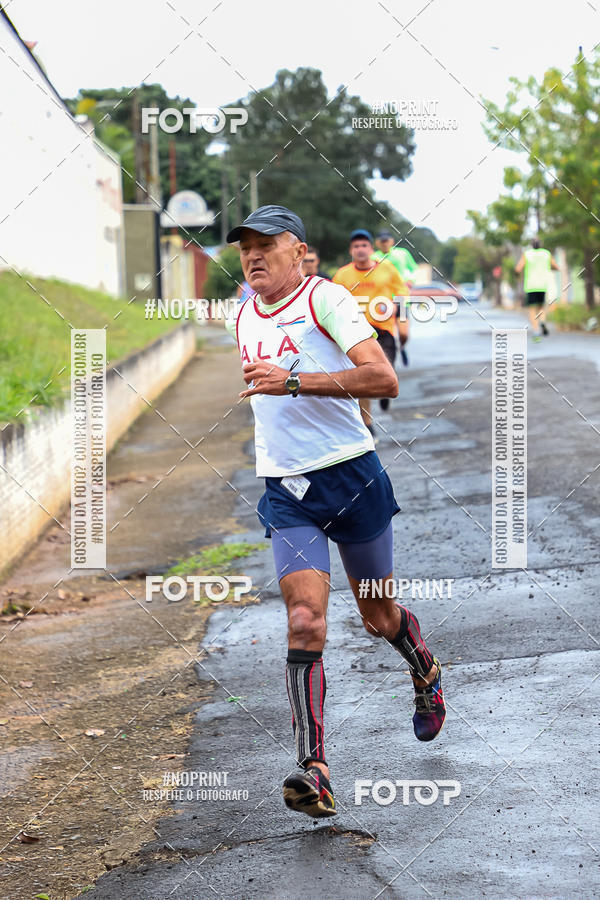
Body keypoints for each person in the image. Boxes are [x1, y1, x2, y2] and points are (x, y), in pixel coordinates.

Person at [225, 205, 445, 819]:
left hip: (352, 477)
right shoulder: (240, 314)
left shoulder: (329, 302)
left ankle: (422, 666)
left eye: (266, 244)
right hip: (287, 491)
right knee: (304, 620)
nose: (253, 255)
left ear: (299, 250)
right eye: (245, 246)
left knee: (377, 616)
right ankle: (313, 768)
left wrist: (293, 382)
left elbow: (383, 379)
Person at [332, 230, 407, 430]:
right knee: (364, 377)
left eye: (364, 245)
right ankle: (368, 423)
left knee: (386, 371)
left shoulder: (387, 269)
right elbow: (331, 302)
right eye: (356, 246)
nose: (360, 250)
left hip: (383, 330)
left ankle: (384, 391)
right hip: (356, 333)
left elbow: (402, 292)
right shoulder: (342, 275)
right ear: (351, 251)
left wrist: (395, 307)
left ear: (371, 249)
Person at [372, 231, 418, 365]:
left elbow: (414, 268)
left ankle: (401, 347)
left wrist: (410, 280)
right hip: (383, 301)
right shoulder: (374, 257)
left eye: (387, 240)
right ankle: (384, 360)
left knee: (404, 333)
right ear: (377, 242)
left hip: (401, 299)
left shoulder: (402, 253)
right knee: (385, 334)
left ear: (392, 241)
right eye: (382, 241)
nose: (384, 243)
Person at [515, 238, 559, 340]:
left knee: (532, 309)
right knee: (541, 307)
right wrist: (548, 267)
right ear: (541, 245)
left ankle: (536, 331)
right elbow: (556, 267)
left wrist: (518, 276)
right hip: (542, 285)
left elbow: (518, 269)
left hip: (531, 286)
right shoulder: (546, 254)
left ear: (531, 245)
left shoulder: (527, 254)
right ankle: (542, 322)